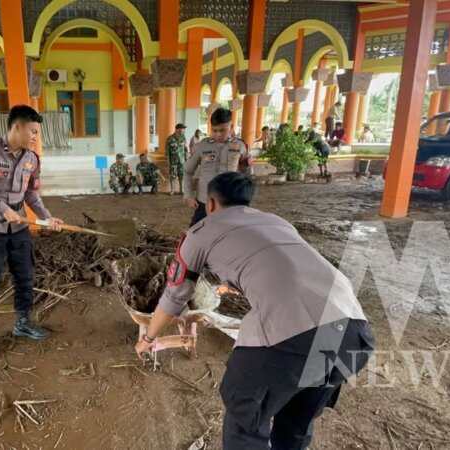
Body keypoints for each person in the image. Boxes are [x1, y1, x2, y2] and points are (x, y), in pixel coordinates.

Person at [135, 172, 374, 450]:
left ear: (210, 203)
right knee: (295, 422)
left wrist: (148, 337)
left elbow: (175, 295)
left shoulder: (199, 233)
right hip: (353, 330)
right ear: (248, 200)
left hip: (292, 334)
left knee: (245, 418)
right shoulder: (276, 222)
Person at [0, 105, 64, 358]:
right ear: (16, 126)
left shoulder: (31, 159)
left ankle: (23, 322)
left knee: (25, 275)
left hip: (18, 228)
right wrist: (1, 207)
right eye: (32, 131)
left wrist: (47, 218)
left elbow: (30, 194)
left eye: (37, 133)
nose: (35, 137)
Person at [183, 108, 247, 226]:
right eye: (214, 130)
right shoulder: (202, 146)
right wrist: (188, 196)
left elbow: (246, 173)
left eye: (222, 130)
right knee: (195, 234)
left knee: (227, 236)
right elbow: (187, 171)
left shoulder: (240, 146)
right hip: (205, 202)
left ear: (231, 127)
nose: (218, 134)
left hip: (229, 203)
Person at [166, 123, 188, 194]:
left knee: (181, 175)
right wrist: (168, 161)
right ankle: (172, 190)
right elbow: (167, 151)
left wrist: (186, 159)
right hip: (173, 161)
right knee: (172, 176)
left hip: (181, 161)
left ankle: (181, 190)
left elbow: (185, 149)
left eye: (184, 129)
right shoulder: (170, 138)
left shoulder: (183, 138)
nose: (183, 130)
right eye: (182, 129)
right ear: (177, 129)